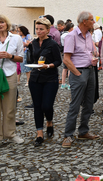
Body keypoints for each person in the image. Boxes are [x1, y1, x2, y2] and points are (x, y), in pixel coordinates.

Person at [62, 11, 99, 148]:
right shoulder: (71, 36)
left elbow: (89, 52)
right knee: (75, 105)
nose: (93, 22)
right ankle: (68, 135)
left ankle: (83, 131)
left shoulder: (89, 35)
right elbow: (66, 59)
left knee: (89, 104)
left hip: (90, 71)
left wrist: (93, 59)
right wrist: (77, 74)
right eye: (91, 19)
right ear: (84, 21)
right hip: (79, 72)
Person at [28, 18, 62, 147]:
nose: (38, 31)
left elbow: (58, 61)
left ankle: (49, 121)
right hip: (35, 78)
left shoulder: (53, 44)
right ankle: (39, 134)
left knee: (46, 106)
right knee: (37, 106)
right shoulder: (33, 43)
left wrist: (48, 66)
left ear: (48, 30)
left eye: (41, 29)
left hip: (50, 78)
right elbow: (32, 59)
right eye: (37, 29)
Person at [0, 15, 24, 144]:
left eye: (2, 22)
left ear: (6, 24)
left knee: (10, 107)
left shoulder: (16, 38)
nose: (0, 25)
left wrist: (10, 56)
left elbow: (21, 58)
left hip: (10, 74)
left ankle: (10, 134)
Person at [60, 22, 74, 89]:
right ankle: (69, 83)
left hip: (64, 51)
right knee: (69, 69)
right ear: (71, 28)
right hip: (69, 52)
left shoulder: (62, 34)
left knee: (64, 68)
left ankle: (63, 83)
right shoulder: (69, 35)